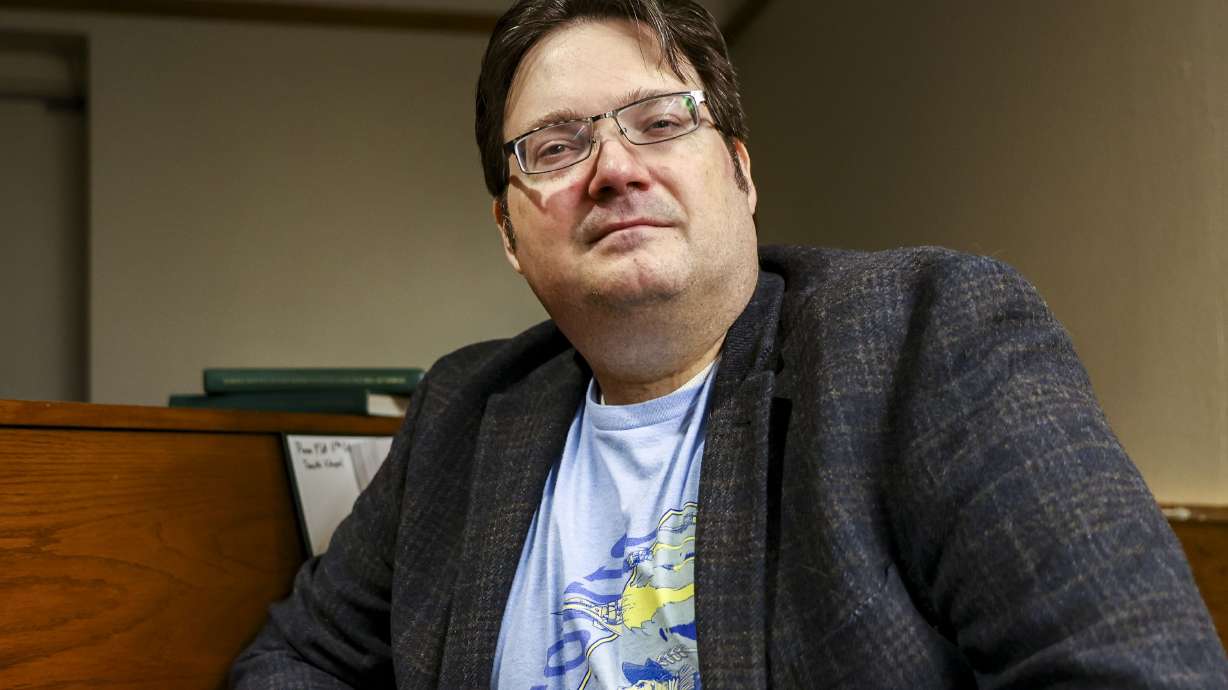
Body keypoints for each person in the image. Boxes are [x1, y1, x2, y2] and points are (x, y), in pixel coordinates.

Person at [231, 1, 1227, 687]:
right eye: (556, 146)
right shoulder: (459, 409)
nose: (613, 168)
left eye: (659, 121)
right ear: (507, 230)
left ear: (740, 173)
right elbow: (292, 660)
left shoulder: (926, 336)